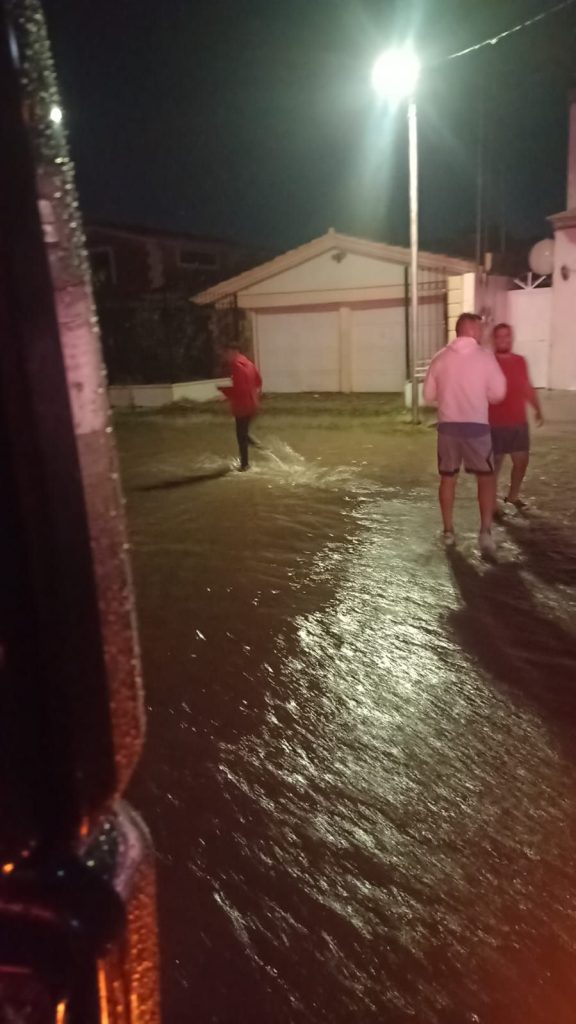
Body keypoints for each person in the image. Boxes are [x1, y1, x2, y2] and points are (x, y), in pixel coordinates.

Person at [423, 312, 506, 557]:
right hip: (476, 427)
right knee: (486, 479)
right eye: (479, 328)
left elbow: (428, 396)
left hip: (447, 427)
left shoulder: (440, 358)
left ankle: (448, 531)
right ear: (472, 330)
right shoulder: (485, 357)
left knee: (448, 479)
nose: (481, 333)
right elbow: (498, 394)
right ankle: (485, 533)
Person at [489, 322, 543, 512]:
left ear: (511, 338)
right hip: (495, 424)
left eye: (507, 335)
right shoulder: (488, 362)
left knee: (521, 462)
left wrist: (537, 408)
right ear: (494, 340)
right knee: (495, 466)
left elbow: (527, 386)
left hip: (518, 422)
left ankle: (513, 496)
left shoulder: (520, 361)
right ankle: (491, 503)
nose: (504, 340)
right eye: (500, 336)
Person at [219, 345, 262, 471]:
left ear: (233, 352)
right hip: (252, 404)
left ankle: (245, 464)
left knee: (240, 436)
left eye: (226, 353)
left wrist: (223, 390)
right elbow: (258, 381)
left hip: (242, 406)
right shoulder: (249, 364)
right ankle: (255, 444)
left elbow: (239, 389)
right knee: (243, 433)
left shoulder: (236, 366)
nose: (226, 357)